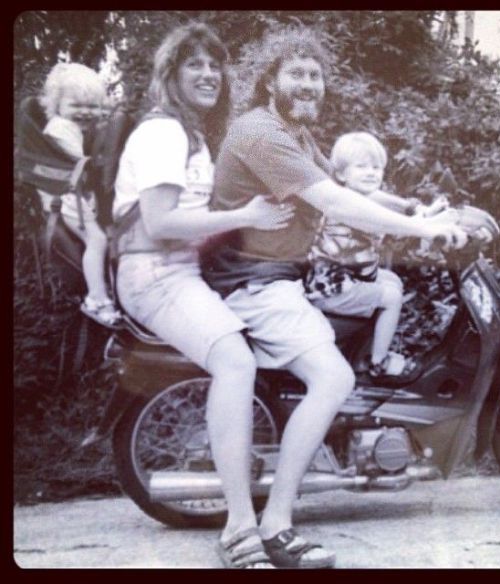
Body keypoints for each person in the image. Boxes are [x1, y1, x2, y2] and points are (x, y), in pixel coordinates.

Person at [203, 27, 468, 569]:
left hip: (280, 278)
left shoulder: (295, 135)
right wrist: (423, 232)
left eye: (315, 75)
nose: (308, 84)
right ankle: (275, 524)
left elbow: (348, 189)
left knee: (374, 303)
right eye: (296, 74)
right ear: (270, 81)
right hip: (255, 284)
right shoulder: (261, 133)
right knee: (334, 378)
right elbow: (335, 204)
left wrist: (416, 211)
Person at [112, 22, 294, 569]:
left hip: (182, 270)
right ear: (170, 74)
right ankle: (239, 528)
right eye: (195, 64)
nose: (209, 74)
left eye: (215, 65)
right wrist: (246, 217)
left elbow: (197, 217)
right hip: (156, 274)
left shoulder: (190, 135)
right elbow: (162, 223)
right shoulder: (163, 133)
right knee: (235, 361)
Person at [304, 131, 446, 380]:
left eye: (376, 167)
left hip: (342, 278)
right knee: (391, 297)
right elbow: (391, 226)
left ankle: (362, 350)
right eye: (362, 167)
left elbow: (384, 201)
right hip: (331, 288)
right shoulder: (350, 209)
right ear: (341, 175)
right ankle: (378, 362)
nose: (371, 173)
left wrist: (420, 210)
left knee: (392, 280)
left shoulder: (356, 195)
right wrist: (425, 224)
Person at [39, 63, 121, 326]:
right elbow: (77, 165)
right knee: (96, 239)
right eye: (76, 105)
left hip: (66, 193)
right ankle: (97, 298)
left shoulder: (67, 126)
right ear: (57, 105)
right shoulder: (61, 129)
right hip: (64, 196)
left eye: (92, 106)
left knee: (98, 237)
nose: (85, 112)